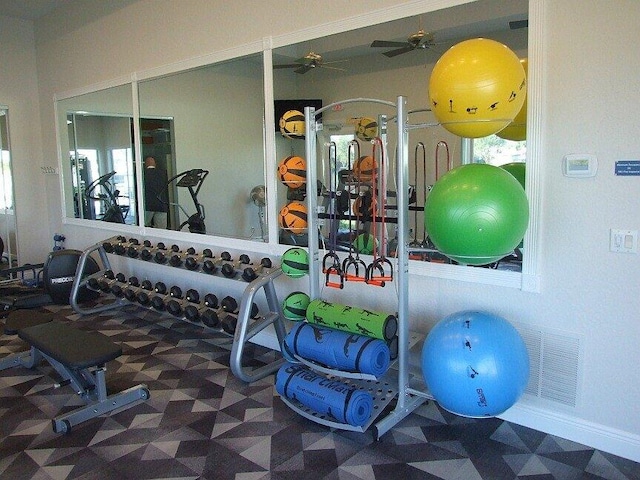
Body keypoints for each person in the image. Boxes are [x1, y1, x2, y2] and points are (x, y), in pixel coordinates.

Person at [143, 156, 168, 228]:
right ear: (155, 164)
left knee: (145, 227)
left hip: (148, 205)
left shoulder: (142, 174)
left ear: (146, 164)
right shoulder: (163, 173)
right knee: (161, 229)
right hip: (161, 204)